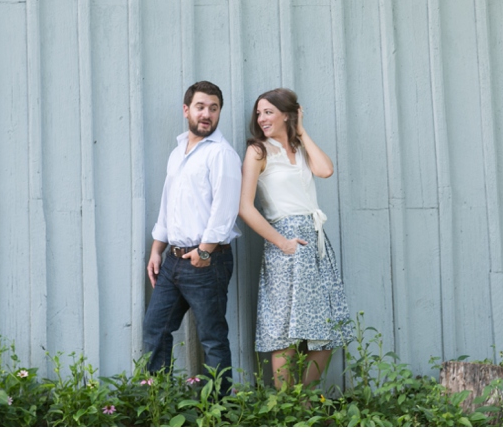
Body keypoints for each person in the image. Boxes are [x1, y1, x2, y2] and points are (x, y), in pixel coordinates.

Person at [238, 88, 354, 388]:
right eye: (259, 113)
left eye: (269, 112)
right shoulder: (258, 151)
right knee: (285, 330)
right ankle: (284, 408)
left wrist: (301, 131)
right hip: (286, 242)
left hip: (315, 241)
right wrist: (281, 242)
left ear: (287, 114)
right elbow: (245, 208)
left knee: (326, 330)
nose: (262, 118)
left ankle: (304, 401)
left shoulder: (301, 149)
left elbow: (325, 170)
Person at [143, 81, 242, 395]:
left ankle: (220, 409)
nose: (207, 114)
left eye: (214, 108)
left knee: (212, 337)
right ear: (186, 110)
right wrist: (157, 249)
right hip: (173, 261)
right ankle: (159, 398)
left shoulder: (222, 154)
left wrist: (205, 251)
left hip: (206, 261)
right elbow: (167, 204)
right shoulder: (177, 153)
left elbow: (225, 211)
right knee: (155, 329)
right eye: (201, 107)